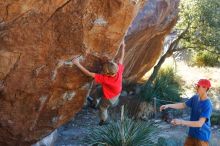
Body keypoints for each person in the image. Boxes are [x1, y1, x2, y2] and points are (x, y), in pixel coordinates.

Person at [72, 40, 125, 126]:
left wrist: (77, 63)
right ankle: (94, 103)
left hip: (110, 98)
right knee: (97, 91)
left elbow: (89, 73)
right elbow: (122, 58)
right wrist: (123, 46)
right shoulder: (118, 71)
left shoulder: (105, 79)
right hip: (112, 92)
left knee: (103, 107)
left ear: (106, 73)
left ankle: (104, 120)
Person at [160, 79, 212, 146]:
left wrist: (181, 122)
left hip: (202, 138)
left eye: (199, 86)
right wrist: (168, 105)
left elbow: (199, 124)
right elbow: (183, 105)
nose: (196, 88)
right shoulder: (195, 98)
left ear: (205, 88)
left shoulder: (207, 104)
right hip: (191, 135)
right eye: (196, 86)